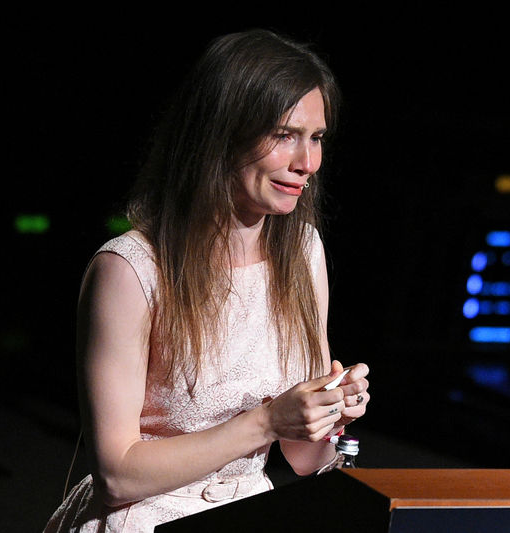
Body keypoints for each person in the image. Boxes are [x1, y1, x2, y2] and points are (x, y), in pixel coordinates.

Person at [44, 28, 370, 533]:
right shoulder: (132, 268)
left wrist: (323, 415)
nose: (307, 163)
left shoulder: (303, 251)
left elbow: (305, 459)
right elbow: (115, 475)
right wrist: (266, 422)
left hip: (252, 512)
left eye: (317, 138)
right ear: (223, 131)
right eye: (284, 135)